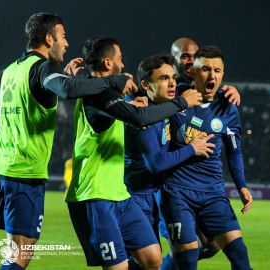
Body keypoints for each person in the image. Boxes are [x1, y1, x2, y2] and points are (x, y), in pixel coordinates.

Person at [0, 13, 129, 270]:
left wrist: (67, 77)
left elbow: (47, 90)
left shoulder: (12, 69)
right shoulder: (42, 67)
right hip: (22, 175)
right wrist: (114, 80)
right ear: (49, 38)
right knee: (19, 253)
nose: (67, 43)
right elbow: (68, 90)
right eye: (63, 37)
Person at [65, 36, 203, 270]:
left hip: (120, 195)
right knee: (118, 267)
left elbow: (134, 106)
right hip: (95, 195)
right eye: (120, 59)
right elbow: (139, 118)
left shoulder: (105, 91)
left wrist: (133, 102)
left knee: (153, 258)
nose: (123, 64)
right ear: (108, 63)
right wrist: (181, 103)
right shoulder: (98, 95)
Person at [161, 46, 253, 270]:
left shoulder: (228, 108)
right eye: (206, 69)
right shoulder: (175, 96)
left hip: (212, 192)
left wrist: (241, 185)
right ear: (193, 72)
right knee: (188, 257)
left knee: (239, 254)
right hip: (177, 191)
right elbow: (152, 86)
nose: (212, 76)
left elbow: (234, 150)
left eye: (218, 71)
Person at [124, 54, 215, 240]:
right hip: (134, 198)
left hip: (152, 196)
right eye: (164, 79)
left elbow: (198, 86)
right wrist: (192, 148)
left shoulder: (164, 108)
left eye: (173, 77)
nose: (173, 83)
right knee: (147, 260)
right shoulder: (143, 115)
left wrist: (226, 91)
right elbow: (156, 163)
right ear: (146, 85)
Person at [171, 37, 240, 105]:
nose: (192, 61)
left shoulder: (205, 89)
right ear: (172, 60)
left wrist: (226, 92)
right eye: (185, 56)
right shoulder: (164, 90)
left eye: (196, 57)